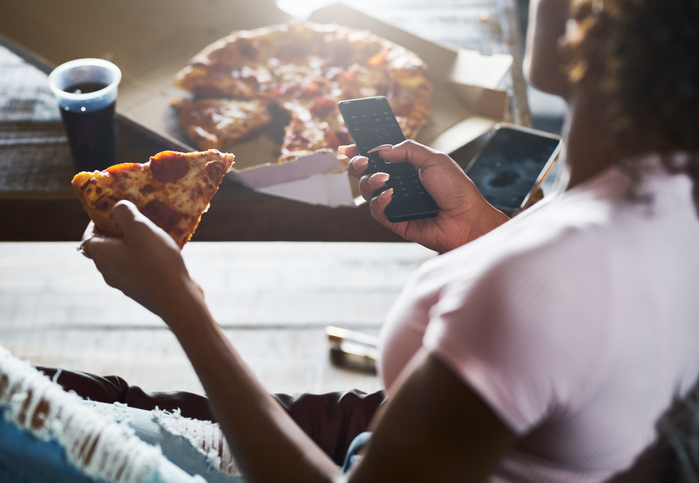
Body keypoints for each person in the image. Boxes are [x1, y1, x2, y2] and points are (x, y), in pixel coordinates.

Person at [55, 0, 699, 481]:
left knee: (48, 407)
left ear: (598, 25)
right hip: (424, 435)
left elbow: (540, 311)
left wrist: (181, 304)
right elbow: (570, 340)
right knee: (95, 399)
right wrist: (481, 234)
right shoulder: (670, 193)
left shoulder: (528, 290)